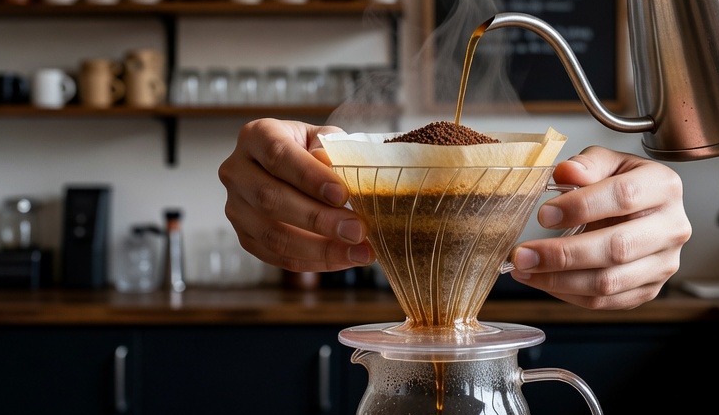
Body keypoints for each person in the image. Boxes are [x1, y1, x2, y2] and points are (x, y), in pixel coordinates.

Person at [219, 118, 691, 309]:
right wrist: (283, 161)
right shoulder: (342, 160)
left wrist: (632, 203)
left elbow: (584, 183)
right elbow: (301, 153)